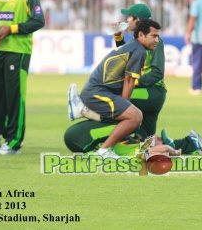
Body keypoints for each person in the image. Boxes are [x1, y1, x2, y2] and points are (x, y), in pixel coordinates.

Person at [68, 19, 161, 157]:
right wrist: (126, 106)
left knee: (129, 116)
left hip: (95, 92)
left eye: (157, 36)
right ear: (141, 34)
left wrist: (117, 34)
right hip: (97, 93)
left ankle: (84, 110)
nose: (157, 40)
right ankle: (104, 151)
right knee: (135, 117)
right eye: (154, 36)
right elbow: (129, 80)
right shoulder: (140, 51)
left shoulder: (132, 46)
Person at [0, 0, 45, 155]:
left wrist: (10, 29)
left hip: (18, 53)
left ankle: (14, 142)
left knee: (14, 98)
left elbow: (38, 21)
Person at [114, 3, 167, 140]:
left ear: (137, 20)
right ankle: (190, 143)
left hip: (152, 92)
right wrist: (118, 36)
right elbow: (125, 57)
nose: (127, 21)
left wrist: (134, 83)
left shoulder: (155, 41)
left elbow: (157, 73)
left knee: (115, 100)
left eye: (129, 18)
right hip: (148, 92)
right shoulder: (138, 40)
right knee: (146, 141)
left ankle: (107, 141)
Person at [64, 119, 202, 156]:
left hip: (80, 139)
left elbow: (165, 147)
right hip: (84, 140)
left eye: (159, 139)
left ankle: (84, 108)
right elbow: (164, 147)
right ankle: (191, 143)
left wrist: (174, 152)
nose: (157, 137)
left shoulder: (140, 150)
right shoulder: (139, 146)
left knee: (129, 120)